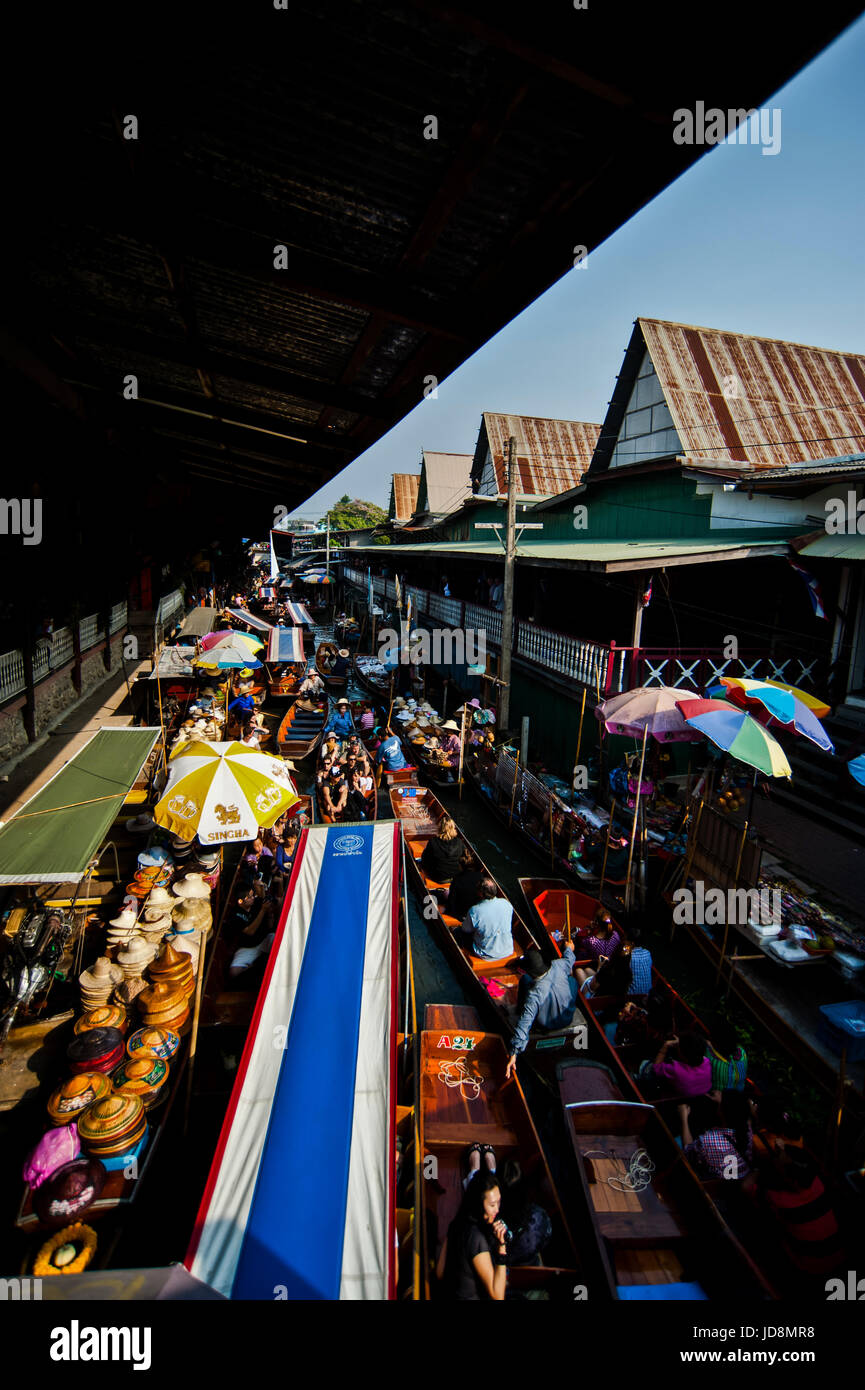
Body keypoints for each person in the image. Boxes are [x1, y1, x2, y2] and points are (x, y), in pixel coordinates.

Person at [505, 945, 579, 1078]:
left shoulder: (534, 996)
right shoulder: (559, 965)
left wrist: (514, 1052)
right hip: (566, 1017)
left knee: (525, 981)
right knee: (572, 981)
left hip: (546, 1024)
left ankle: (518, 1009)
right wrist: (569, 948)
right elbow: (570, 958)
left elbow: (524, 1024)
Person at [436, 1166, 509, 1300]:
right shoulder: (477, 1239)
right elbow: (497, 1296)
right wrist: (502, 1249)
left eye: (499, 1202)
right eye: (492, 1205)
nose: (497, 1210)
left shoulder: (456, 1223)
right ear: (479, 1204)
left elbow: (440, 1272)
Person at [679, 1091, 754, 1182]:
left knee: (677, 1141)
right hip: (739, 1177)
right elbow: (740, 1107)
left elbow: (687, 1150)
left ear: (723, 1111)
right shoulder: (747, 1129)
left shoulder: (712, 1140)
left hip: (712, 1182)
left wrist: (684, 1117)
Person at [640, 1030, 712, 1100]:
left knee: (646, 1065)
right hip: (698, 1098)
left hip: (676, 1098)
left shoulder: (676, 1069)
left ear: (684, 1055)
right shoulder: (707, 1062)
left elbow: (656, 1067)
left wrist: (665, 1046)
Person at [459, 879, 514, 961]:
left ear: (481, 894)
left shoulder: (475, 910)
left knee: (457, 932)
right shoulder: (506, 903)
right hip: (508, 950)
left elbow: (466, 930)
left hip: (486, 954)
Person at [705, 1019, 748, 1092]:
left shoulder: (711, 1059)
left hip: (719, 1100)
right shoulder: (742, 1054)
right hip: (739, 1097)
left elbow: (704, 1045)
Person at [420, 816, 464, 883]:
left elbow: (424, 858)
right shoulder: (459, 842)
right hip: (455, 876)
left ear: (440, 828)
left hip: (437, 877)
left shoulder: (433, 842)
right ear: (453, 828)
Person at [445, 850, 484, 921]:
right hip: (475, 912)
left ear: (461, 866)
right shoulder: (481, 876)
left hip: (460, 912)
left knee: (444, 893)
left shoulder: (457, 879)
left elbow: (451, 901)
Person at [624, 928, 653, 996]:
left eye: (625, 940)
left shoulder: (628, 956)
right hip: (647, 995)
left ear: (632, 943)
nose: (624, 941)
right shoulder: (647, 953)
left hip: (632, 995)